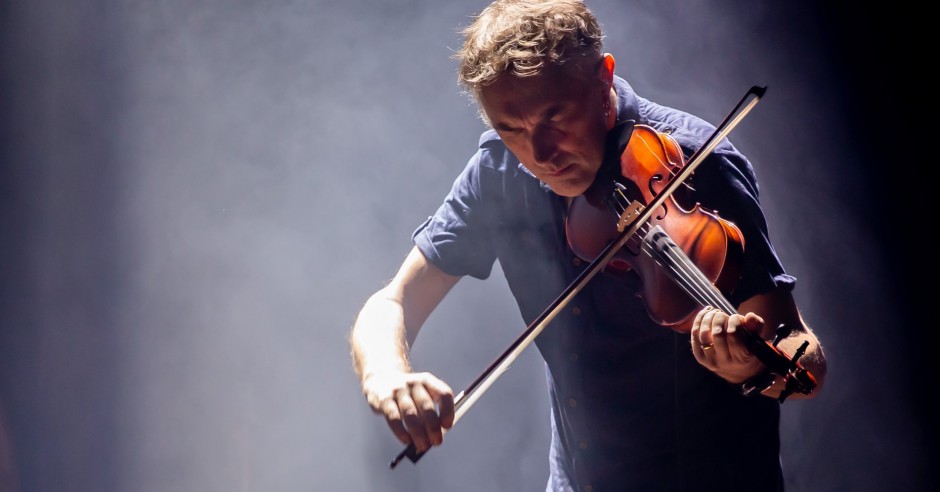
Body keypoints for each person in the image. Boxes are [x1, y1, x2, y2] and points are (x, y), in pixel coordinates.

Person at [348, 1, 827, 490]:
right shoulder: (500, 173)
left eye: (555, 117)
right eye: (510, 129)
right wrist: (386, 376)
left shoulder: (696, 167)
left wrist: (752, 364)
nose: (541, 154)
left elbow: (799, 348)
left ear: (604, 78)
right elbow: (393, 302)